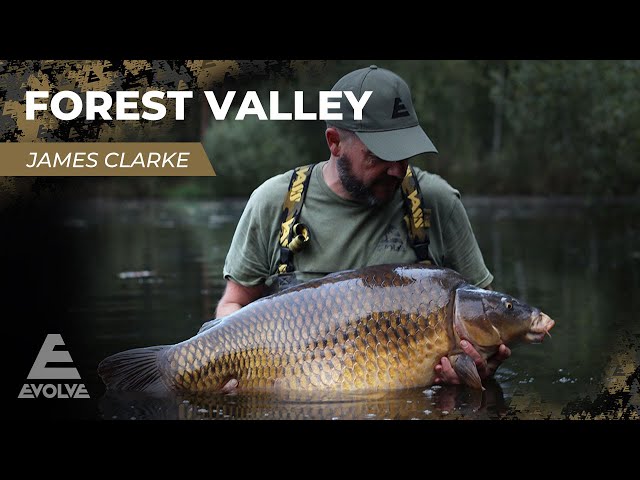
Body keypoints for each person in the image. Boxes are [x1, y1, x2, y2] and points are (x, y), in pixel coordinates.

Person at [201, 65, 511, 385]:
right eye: (381, 155)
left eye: (405, 154)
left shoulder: (438, 202)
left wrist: (480, 365)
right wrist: (228, 363)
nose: (396, 169)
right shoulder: (273, 203)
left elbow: (485, 318)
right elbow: (234, 302)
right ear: (335, 142)